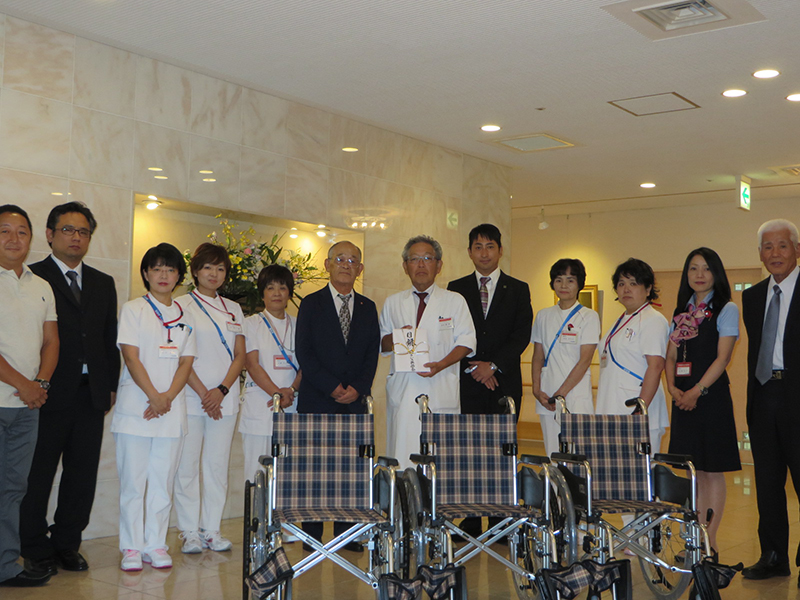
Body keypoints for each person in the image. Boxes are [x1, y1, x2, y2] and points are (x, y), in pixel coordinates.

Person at [18, 202, 119, 576]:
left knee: (82, 474)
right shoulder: (32, 277)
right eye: (67, 230)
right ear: (49, 234)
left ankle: (67, 543)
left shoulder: (103, 282)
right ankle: (34, 546)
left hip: (91, 393)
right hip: (48, 393)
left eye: (83, 231)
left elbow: (108, 339)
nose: (76, 237)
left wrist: (110, 386)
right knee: (38, 474)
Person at [111, 243, 196, 572]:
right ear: (146, 273)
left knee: (163, 481)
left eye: (170, 269)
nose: (163, 275)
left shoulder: (186, 315)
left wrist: (167, 398)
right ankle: (131, 547)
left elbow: (186, 362)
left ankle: (155, 544)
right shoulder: (133, 309)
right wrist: (154, 396)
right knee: (134, 482)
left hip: (170, 411)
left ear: (179, 276)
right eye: (157, 268)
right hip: (137, 408)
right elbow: (131, 357)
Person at [295, 240, 379, 552]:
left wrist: (358, 387)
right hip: (317, 398)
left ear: (360, 269)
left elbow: (371, 355)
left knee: (350, 471)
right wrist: (331, 386)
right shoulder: (311, 303)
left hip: (354, 402)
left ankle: (348, 534)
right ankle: (312, 534)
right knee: (314, 470)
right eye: (340, 259)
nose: (346, 264)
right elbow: (304, 352)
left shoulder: (368, 307)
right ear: (327, 265)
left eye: (352, 260)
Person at [665, 248, 740, 559]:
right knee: (692, 470)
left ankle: (710, 541)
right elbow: (671, 355)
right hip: (682, 397)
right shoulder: (681, 311)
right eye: (693, 268)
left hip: (710, 398)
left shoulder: (726, 308)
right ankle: (694, 540)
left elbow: (723, 358)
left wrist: (696, 391)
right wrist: (672, 387)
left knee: (712, 470)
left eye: (706, 269)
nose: (699, 274)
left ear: (716, 273)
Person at [380, 235, 476, 469]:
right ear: (405, 266)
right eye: (414, 259)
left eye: (427, 258)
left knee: (439, 461)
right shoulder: (393, 302)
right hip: (404, 390)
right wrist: (396, 337)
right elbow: (382, 344)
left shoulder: (455, 301)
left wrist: (442, 364)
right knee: (402, 458)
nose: (421, 265)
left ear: (439, 265)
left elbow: (467, 341)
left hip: (440, 387)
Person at [173, 243, 245, 555]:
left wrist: (222, 391)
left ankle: (211, 529)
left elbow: (240, 355)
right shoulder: (180, 305)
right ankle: (189, 531)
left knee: (216, 465)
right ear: (195, 271)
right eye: (207, 267)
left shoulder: (234, 308)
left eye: (220, 268)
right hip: (191, 398)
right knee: (187, 466)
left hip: (225, 400)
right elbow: (179, 355)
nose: (213, 274)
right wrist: (205, 394)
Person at [0, 205, 58, 588]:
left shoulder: (42, 286)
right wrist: (24, 385)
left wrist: (40, 385)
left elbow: (51, 341)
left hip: (27, 407)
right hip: (10, 397)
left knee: (13, 489)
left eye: (22, 231)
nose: (14, 238)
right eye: (5, 230)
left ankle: (6, 564)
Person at [741, 219, 800, 583]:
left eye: (782, 245)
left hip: (798, 396)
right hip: (764, 394)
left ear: (797, 250)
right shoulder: (752, 296)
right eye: (767, 247)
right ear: (760, 254)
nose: (775, 253)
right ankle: (773, 555)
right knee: (767, 482)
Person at [447, 224, 532, 417]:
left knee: (503, 436)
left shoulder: (518, 289)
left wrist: (493, 366)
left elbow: (521, 335)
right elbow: (452, 332)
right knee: (468, 436)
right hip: (468, 381)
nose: (484, 253)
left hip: (505, 382)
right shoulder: (456, 289)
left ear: (500, 250)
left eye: (490, 246)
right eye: (478, 247)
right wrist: (479, 370)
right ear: (469, 252)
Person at [595, 258, 668, 453]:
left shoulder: (653, 320)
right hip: (611, 407)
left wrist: (640, 409)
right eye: (621, 284)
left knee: (639, 470)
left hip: (636, 411)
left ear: (648, 288)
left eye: (633, 283)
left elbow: (656, 366)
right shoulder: (620, 320)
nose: (626, 289)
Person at [531, 258, 600, 456]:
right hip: (547, 397)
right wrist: (536, 390)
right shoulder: (543, 315)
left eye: (570, 280)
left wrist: (560, 394)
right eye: (559, 280)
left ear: (579, 284)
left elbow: (584, 361)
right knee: (553, 453)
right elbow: (538, 356)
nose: (564, 285)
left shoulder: (589, 316)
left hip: (575, 396)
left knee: (578, 454)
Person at [240, 265, 301, 485]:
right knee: (256, 474)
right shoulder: (251, 323)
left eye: (282, 288)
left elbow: (308, 363)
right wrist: (277, 394)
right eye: (270, 288)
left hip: (292, 405)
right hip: (261, 405)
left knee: (288, 477)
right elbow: (252, 364)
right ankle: (256, 510)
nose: (276, 293)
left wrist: (291, 390)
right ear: (262, 293)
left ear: (289, 293)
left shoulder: (299, 324)